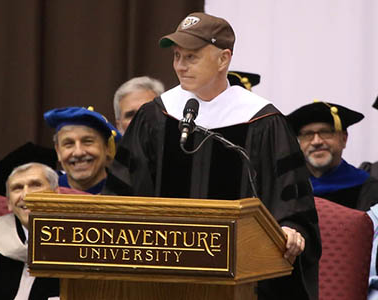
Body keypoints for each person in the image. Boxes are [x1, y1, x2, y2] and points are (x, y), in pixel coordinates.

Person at [103, 12, 321, 300]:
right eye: (177, 56)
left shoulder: (263, 121)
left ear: (223, 59)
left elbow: (292, 200)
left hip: (242, 283)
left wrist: (290, 228)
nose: (180, 66)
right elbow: (121, 193)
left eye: (191, 57)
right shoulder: (156, 116)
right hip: (160, 278)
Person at [0, 163, 60, 299]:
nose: (26, 195)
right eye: (17, 188)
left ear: (56, 194)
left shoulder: (75, 241)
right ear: (9, 202)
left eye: (35, 185)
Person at [287, 101, 378, 211]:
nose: (316, 142)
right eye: (308, 134)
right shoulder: (286, 188)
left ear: (343, 139)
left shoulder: (368, 187)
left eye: (325, 132)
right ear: (299, 143)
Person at [44, 106, 121, 194]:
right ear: (58, 151)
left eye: (87, 142)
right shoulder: (47, 190)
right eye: (69, 144)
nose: (78, 152)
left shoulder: (127, 192)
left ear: (107, 148)